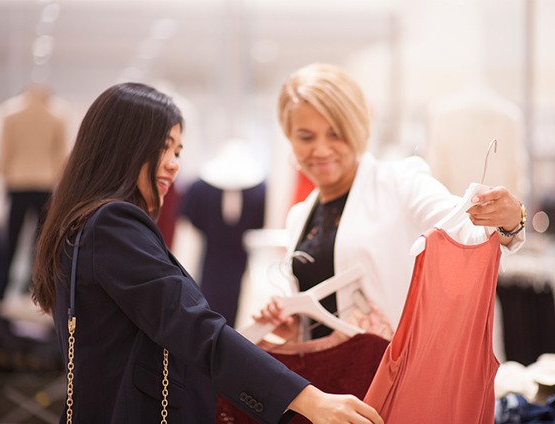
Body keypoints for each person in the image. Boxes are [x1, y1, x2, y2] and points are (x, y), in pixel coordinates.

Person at [30, 82, 383, 424]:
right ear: (125, 145)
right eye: (164, 147)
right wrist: (310, 399)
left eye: (178, 151)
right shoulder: (113, 224)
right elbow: (192, 327)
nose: (173, 163)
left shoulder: (86, 225)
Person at [253, 63, 526, 341]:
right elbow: (320, 313)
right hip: (324, 382)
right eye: (306, 137)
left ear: (357, 128)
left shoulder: (401, 182)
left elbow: (464, 229)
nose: (321, 149)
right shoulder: (299, 217)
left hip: (390, 375)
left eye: (335, 133)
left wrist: (509, 220)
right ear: (290, 139)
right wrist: (295, 328)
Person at [0, 84, 68, 301]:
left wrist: (5, 175)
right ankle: (34, 288)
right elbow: (60, 155)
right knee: (41, 241)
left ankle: (0, 289)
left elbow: (5, 152)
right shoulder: (57, 115)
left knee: (11, 239)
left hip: (17, 183)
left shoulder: (11, 113)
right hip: (44, 184)